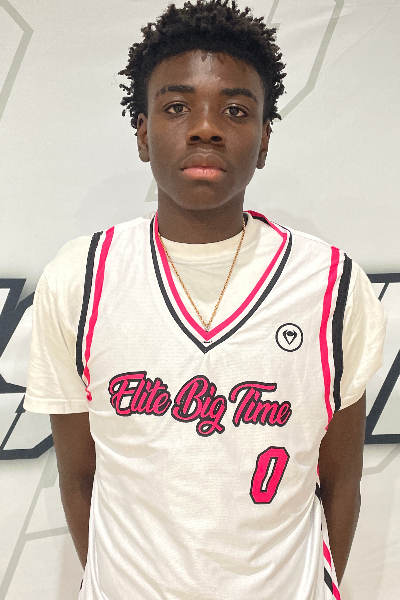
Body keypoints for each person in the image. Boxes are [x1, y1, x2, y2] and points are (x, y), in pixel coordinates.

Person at [24, 1, 386, 598]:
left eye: (236, 110)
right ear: (143, 134)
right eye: (176, 107)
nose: (206, 128)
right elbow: (80, 478)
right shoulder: (80, 277)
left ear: (264, 141)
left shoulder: (331, 284)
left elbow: (341, 481)